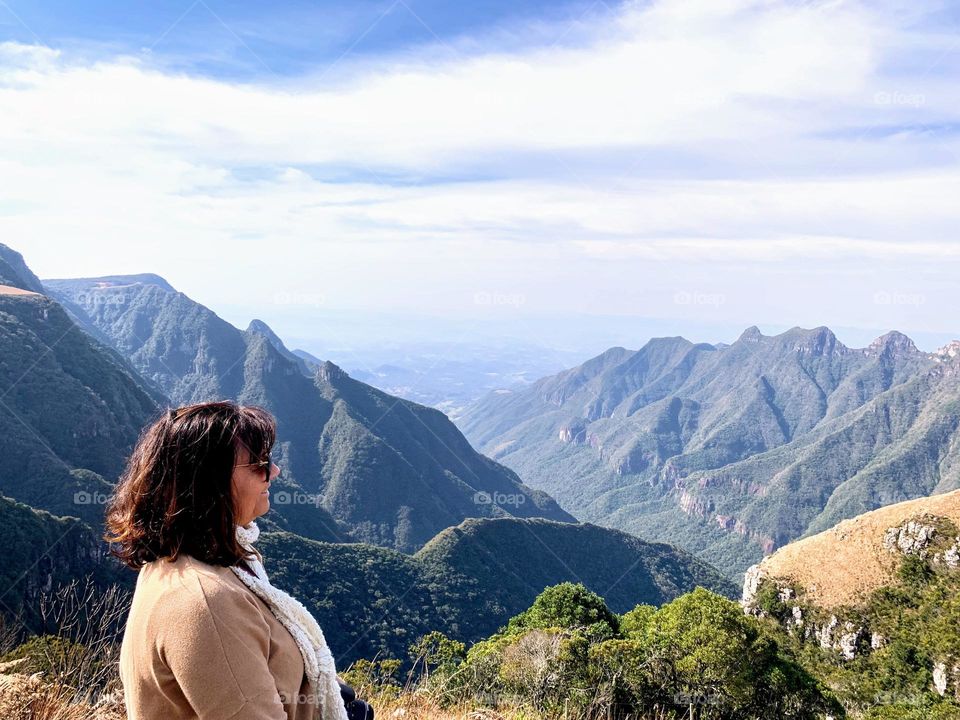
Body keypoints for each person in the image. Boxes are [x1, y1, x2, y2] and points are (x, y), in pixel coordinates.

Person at [106, 401, 372, 720]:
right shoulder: (205, 602)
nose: (274, 471)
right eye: (259, 464)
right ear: (209, 482)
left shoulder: (203, 563)